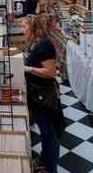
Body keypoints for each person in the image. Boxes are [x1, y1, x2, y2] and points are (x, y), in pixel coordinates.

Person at [20, 15, 65, 173]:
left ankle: (51, 168)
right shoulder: (34, 43)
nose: (22, 30)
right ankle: (45, 161)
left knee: (49, 134)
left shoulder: (44, 45)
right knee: (45, 132)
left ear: (34, 27)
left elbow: (51, 73)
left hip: (45, 97)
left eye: (24, 27)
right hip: (37, 95)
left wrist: (28, 69)